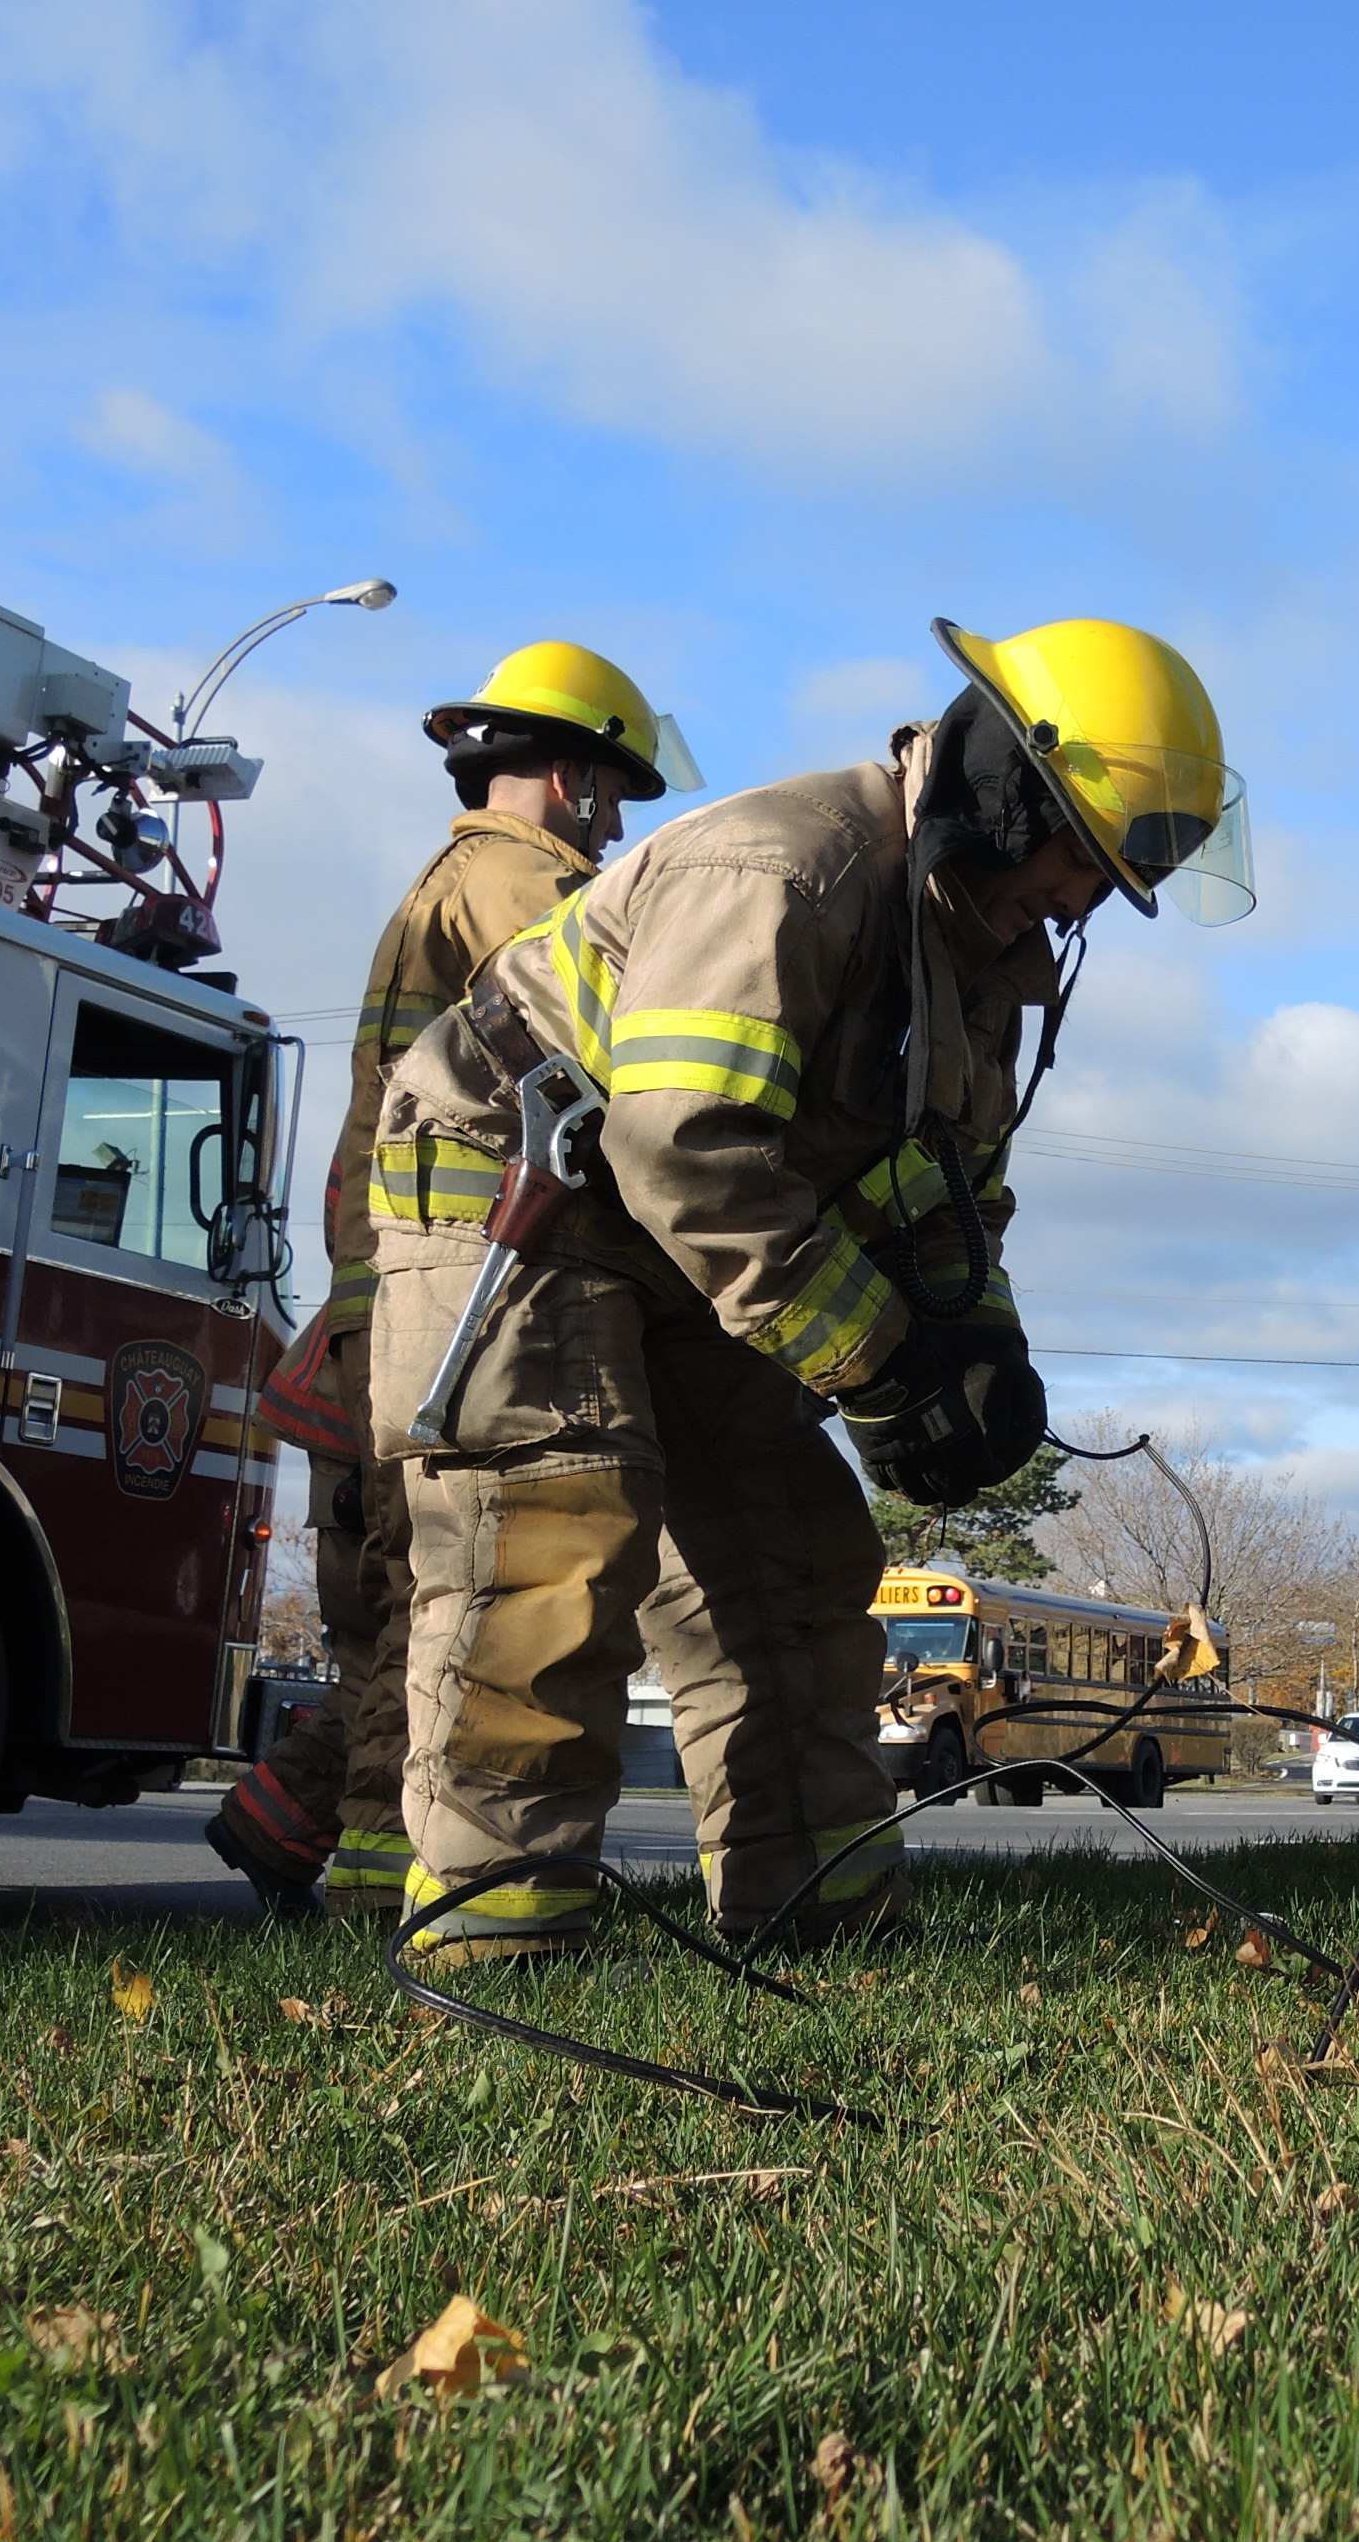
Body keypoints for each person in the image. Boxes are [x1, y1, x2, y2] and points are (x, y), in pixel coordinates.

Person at [365, 617, 1249, 1959]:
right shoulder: (782, 870)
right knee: (553, 1544)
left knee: (797, 1561)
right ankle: (501, 1947)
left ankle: (821, 1919)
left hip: (685, 1243)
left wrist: (976, 1359)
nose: (1075, 903)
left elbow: (944, 1187)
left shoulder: (973, 957)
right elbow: (687, 1143)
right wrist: (884, 1363)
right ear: (1006, 790)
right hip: (517, 1200)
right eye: (1078, 856)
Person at [206, 641, 701, 1914]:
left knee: (405, 1612)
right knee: (442, 1614)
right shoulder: (515, 883)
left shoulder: (452, 881)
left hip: (393, 1309)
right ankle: (392, 1892)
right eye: (611, 790)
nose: (618, 822)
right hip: (461, 1301)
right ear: (563, 775)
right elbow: (623, 1051)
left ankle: (282, 1832)